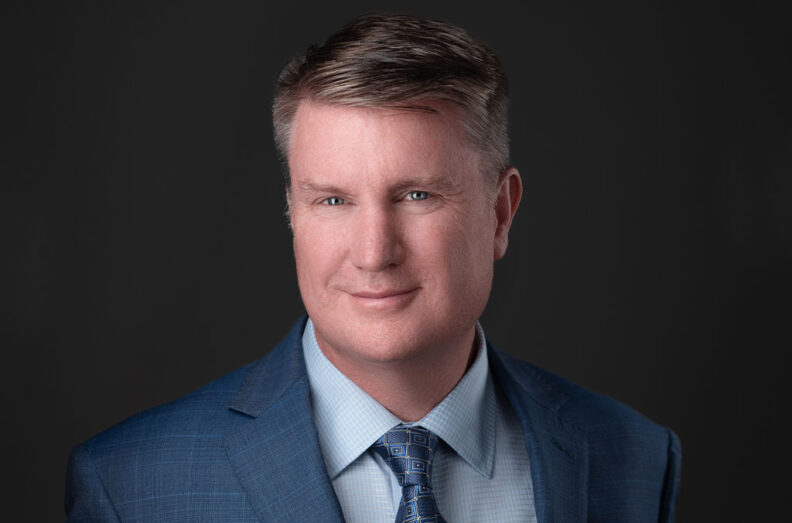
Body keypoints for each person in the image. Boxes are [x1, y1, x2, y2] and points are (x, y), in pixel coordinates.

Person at [66, 14, 680, 522]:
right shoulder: (132, 485)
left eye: (417, 195)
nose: (373, 252)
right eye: (332, 200)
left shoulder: (632, 459)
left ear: (500, 212)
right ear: (291, 212)